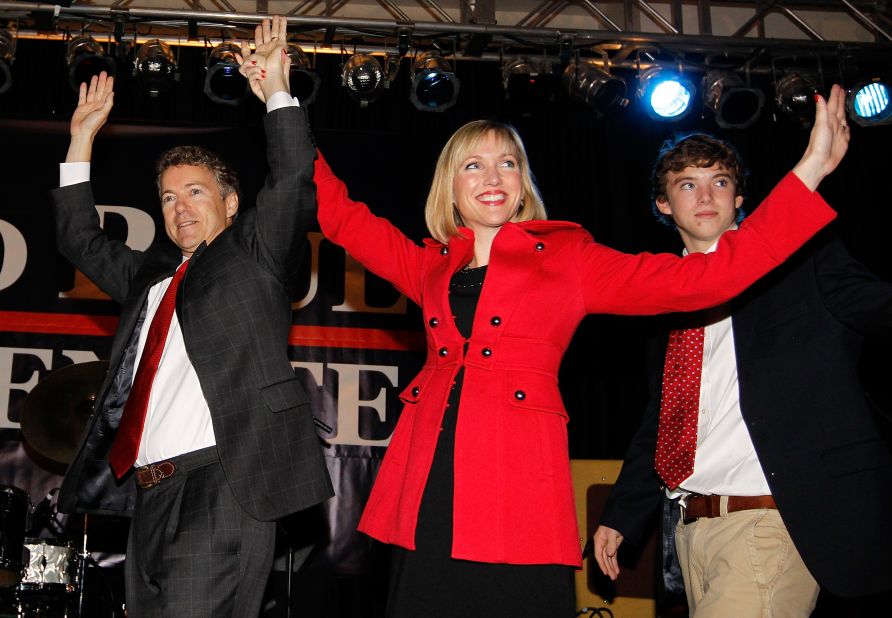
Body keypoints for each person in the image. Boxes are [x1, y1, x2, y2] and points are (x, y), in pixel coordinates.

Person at [244, 35, 846, 611]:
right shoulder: (428, 266)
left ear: (522, 181)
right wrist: (279, 97)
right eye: (474, 166)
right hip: (429, 484)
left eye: (508, 163)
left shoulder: (568, 259)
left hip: (519, 487)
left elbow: (702, 280)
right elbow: (340, 214)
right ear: (451, 188)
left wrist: (809, 173)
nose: (493, 177)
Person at [51, 17, 332, 618]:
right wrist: (80, 141)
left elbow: (290, 180)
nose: (180, 208)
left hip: (223, 482)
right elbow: (80, 240)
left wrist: (278, 88)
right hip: (150, 493)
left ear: (231, 204)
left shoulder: (253, 255)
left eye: (196, 192)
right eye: (169, 198)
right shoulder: (151, 277)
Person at [593, 132, 892, 616]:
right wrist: (624, 513)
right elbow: (666, 419)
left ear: (739, 198)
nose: (706, 196)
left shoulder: (803, 262)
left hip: (771, 523)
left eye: (720, 181)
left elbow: (878, 307)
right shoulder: (661, 298)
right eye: (687, 185)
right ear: (663, 204)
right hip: (690, 531)